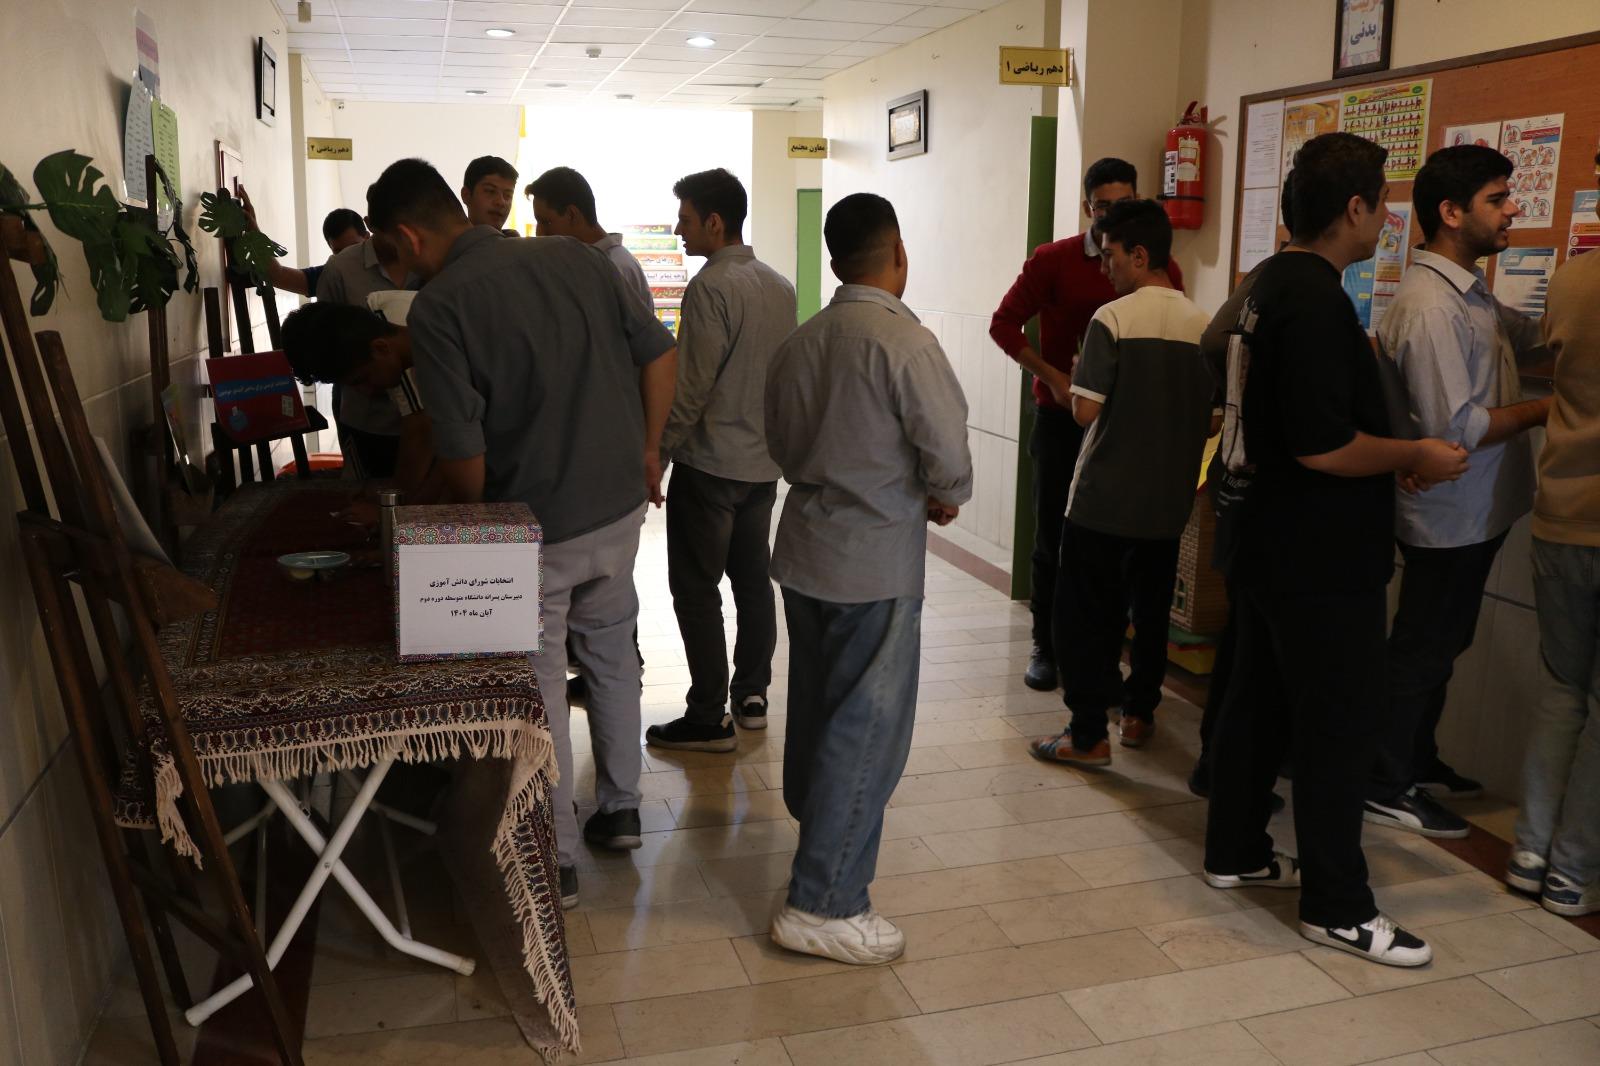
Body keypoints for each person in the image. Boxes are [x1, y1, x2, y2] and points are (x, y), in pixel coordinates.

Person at [364, 158, 678, 910]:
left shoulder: (440, 307)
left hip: (538, 528)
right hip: (619, 508)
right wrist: (648, 450)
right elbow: (661, 351)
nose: (394, 267)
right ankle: (622, 810)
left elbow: (464, 455)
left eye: (389, 252)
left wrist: (465, 522)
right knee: (611, 654)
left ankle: (556, 855)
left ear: (408, 236)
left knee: (539, 682)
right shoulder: (579, 258)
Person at [1201, 133, 1469, 968]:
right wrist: (1413, 453)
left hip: (1265, 541)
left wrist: (1384, 454)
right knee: (1337, 728)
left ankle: (1236, 849)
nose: (1387, 221)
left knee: (1258, 704)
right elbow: (1322, 447)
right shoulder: (1316, 300)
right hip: (1318, 558)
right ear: (1353, 208)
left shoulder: (1265, 283)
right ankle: (1338, 906)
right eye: (1382, 205)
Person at [764, 192, 971, 964]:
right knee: (866, 732)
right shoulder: (905, 344)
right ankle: (824, 902)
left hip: (807, 555)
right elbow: (949, 457)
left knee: (820, 711)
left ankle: (820, 842)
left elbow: (783, 446)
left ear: (834, 258)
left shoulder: (801, 343)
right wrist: (938, 491)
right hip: (875, 566)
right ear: (898, 253)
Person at [1025, 200, 1216, 766]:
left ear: (1139, 255)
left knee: (1086, 614)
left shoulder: (1111, 319)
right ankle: (1139, 715)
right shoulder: (1203, 325)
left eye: (1109, 255)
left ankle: (1087, 735)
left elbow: (1085, 411)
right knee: (1151, 612)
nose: (1104, 266)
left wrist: (1079, 372)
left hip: (1103, 501)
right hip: (1167, 502)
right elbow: (1211, 420)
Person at [990, 158, 1184, 692]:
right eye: (1102, 206)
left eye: (1124, 203)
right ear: (1086, 207)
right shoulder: (1053, 260)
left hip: (1126, 431)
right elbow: (1003, 325)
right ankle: (1045, 646)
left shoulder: (1158, 267)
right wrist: (1053, 377)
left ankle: (1104, 658)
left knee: (1118, 548)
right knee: (1054, 539)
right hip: (1062, 421)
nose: (1111, 215)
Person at [645, 168, 797, 753]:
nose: (678, 230)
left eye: (685, 219)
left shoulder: (711, 286)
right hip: (761, 468)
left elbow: (692, 387)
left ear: (714, 222)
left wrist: (658, 453)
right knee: (753, 582)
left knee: (697, 589)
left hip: (710, 467)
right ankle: (752, 694)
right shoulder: (779, 286)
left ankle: (708, 716)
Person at [1508, 153, 1600, 917]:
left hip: (1561, 516)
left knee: (1563, 690)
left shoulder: (1570, 281)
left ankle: (1529, 852)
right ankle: (1572, 872)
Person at [1188, 178, 1296, 807]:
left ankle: (1223, 760)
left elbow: (1215, 342)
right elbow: (1213, 341)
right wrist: (1238, 405)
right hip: (1259, 493)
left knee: (1245, 638)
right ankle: (1223, 765)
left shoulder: (1271, 277)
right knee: (1250, 643)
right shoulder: (1283, 279)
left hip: (1242, 485)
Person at [279, 297, 440, 500]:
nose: (366, 392)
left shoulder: (424, 347)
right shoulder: (387, 323)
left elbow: (423, 435)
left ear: (381, 348)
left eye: (362, 380)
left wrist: (389, 506)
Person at [315, 227, 414, 479]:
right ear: (371, 224)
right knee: (363, 491)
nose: (404, 233)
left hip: (424, 419)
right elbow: (325, 339)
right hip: (367, 420)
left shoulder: (432, 259)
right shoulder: (340, 269)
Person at [526, 166, 653, 312]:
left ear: (572, 215)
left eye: (545, 222)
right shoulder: (592, 260)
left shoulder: (614, 267)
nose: (539, 233)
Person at [237, 189, 368, 296]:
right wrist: (254, 233)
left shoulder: (381, 266)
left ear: (367, 238)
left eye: (353, 247)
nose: (348, 256)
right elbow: (277, 275)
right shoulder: (331, 276)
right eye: (339, 252)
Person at [460, 155, 518, 232]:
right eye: (490, 191)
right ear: (466, 195)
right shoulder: (449, 239)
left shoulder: (518, 240)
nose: (501, 202)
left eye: (508, 195)